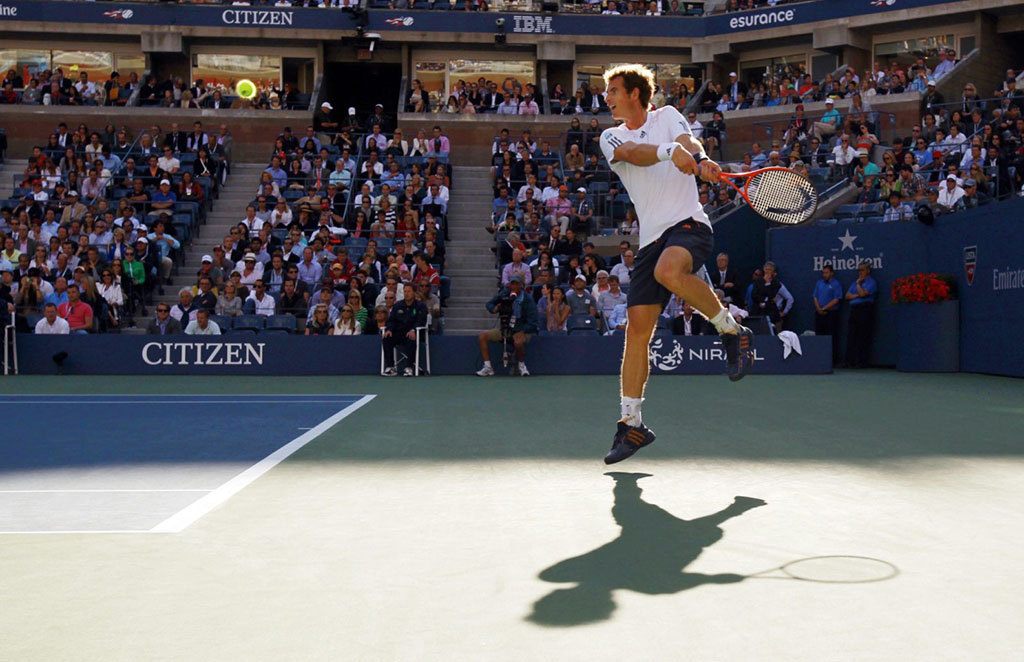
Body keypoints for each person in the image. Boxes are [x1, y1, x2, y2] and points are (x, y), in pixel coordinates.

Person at [594, 65, 753, 464]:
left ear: (634, 93)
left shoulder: (668, 116)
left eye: (613, 90)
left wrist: (701, 159)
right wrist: (671, 153)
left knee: (670, 271)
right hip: (650, 239)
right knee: (636, 334)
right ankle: (631, 424)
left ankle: (731, 330)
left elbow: (687, 143)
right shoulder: (610, 136)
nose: (607, 97)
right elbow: (634, 154)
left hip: (688, 225)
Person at [476, 273, 538, 377]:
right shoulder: (504, 293)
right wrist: (494, 309)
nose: (513, 286)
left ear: (521, 285)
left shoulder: (528, 300)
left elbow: (533, 323)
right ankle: (488, 367)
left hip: (522, 329)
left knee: (518, 342)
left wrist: (523, 331)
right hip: (505, 329)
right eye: (512, 284)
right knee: (483, 336)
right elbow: (489, 304)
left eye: (516, 284)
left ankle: (521, 366)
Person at [382, 282, 427, 376]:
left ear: (414, 293)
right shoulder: (398, 305)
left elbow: (421, 320)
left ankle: (409, 367)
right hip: (399, 333)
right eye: (405, 291)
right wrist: (389, 329)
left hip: (414, 333)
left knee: (411, 338)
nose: (406, 293)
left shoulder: (421, 306)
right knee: (386, 338)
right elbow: (391, 320)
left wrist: (413, 330)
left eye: (409, 291)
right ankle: (391, 367)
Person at [844, 261, 878, 368]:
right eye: (859, 270)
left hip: (865, 310)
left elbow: (863, 294)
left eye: (862, 270)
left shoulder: (871, 282)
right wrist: (857, 295)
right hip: (854, 310)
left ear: (868, 271)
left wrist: (859, 284)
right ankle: (850, 362)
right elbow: (847, 296)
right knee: (851, 335)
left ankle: (862, 362)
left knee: (863, 336)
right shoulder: (854, 282)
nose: (860, 272)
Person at [812, 263, 843, 366]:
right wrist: (819, 308)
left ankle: (833, 361)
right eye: (823, 273)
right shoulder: (819, 283)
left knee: (831, 337)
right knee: (819, 336)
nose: (824, 275)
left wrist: (824, 308)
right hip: (819, 313)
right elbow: (815, 296)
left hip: (831, 313)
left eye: (826, 273)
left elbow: (836, 299)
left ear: (831, 273)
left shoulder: (836, 284)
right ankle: (819, 360)